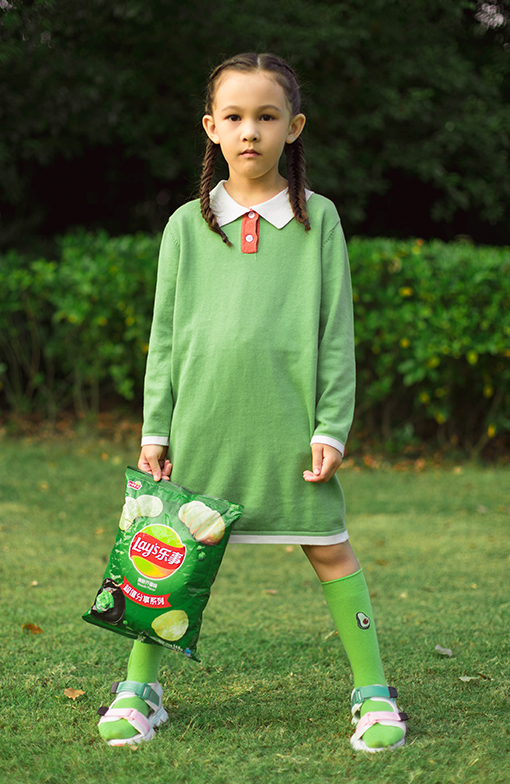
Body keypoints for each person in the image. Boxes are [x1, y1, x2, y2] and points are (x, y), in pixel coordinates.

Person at [97, 52, 408, 753]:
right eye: (234, 116)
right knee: (164, 553)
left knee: (329, 549)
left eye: (267, 116)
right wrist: (155, 429)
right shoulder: (186, 224)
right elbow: (164, 337)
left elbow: (336, 332)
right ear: (211, 127)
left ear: (293, 127)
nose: (250, 131)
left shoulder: (319, 219)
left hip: (289, 432)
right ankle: (139, 689)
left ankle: (373, 692)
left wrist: (332, 427)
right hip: (201, 428)